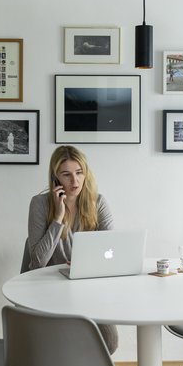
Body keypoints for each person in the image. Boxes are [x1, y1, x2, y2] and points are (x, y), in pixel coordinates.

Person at [25, 145, 118, 353]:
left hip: (88, 286)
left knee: (109, 342)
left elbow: (113, 250)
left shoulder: (98, 202)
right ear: (55, 178)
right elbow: (37, 261)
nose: (74, 181)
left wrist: (87, 264)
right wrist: (58, 218)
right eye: (66, 175)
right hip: (49, 287)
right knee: (60, 343)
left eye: (79, 173)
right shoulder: (39, 204)